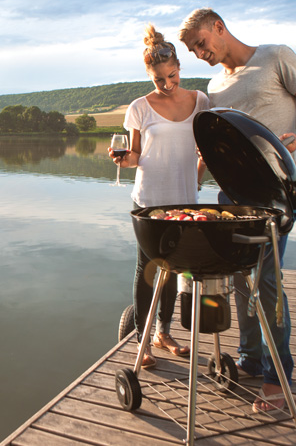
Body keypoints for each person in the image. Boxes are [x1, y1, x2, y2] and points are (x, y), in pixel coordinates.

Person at [179, 8, 296, 413]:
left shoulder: (276, 57)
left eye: (200, 43)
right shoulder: (214, 86)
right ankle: (249, 359)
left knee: (266, 283)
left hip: (276, 195)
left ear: (219, 27)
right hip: (231, 198)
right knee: (241, 282)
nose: (198, 53)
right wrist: (198, 165)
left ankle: (278, 378)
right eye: (192, 50)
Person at [110, 24, 209, 369]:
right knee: (149, 268)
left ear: (180, 67)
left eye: (172, 77)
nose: (167, 86)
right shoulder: (139, 107)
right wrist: (125, 158)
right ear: (149, 76)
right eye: (158, 80)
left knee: (175, 266)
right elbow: (137, 154)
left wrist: (195, 182)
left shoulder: (201, 102)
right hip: (150, 198)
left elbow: (204, 152)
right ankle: (143, 338)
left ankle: (163, 333)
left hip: (184, 200)